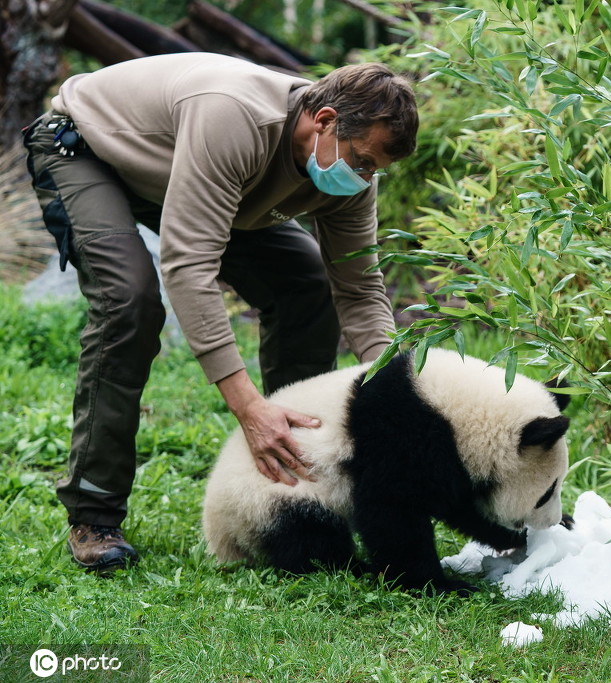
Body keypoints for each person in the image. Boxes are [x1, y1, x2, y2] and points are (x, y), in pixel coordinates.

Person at [21, 52, 418, 574]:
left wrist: (398, 391)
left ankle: (298, 474)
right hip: (88, 151)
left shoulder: (348, 174)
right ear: (324, 122)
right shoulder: (235, 117)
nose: (366, 178)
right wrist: (249, 407)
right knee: (130, 300)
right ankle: (94, 514)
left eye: (375, 170)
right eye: (363, 162)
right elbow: (188, 264)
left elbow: (360, 288)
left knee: (308, 282)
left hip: (188, 180)